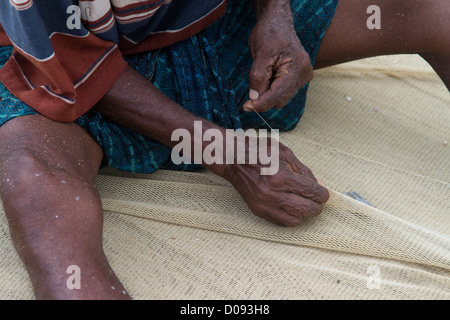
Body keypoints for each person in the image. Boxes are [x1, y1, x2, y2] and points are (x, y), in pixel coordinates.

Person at [0, 0, 448, 300]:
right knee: (31, 179)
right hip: (64, 65)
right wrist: (224, 152)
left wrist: (275, 17)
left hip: (216, 26)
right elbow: (74, 64)